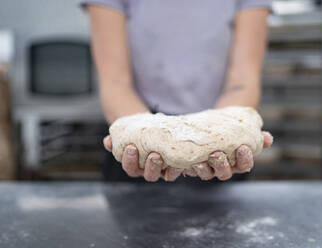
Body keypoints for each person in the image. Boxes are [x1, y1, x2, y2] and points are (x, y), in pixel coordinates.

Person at [80, 0, 273, 182]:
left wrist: (226, 137)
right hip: (138, 125)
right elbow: (115, 82)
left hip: (222, 130)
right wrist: (143, 142)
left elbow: (243, 80)